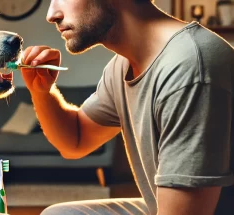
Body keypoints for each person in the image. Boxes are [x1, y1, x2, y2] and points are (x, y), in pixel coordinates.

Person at [19, 0, 234, 214]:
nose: (51, 14)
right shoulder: (122, 66)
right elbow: (75, 140)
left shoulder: (190, 68)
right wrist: (41, 91)